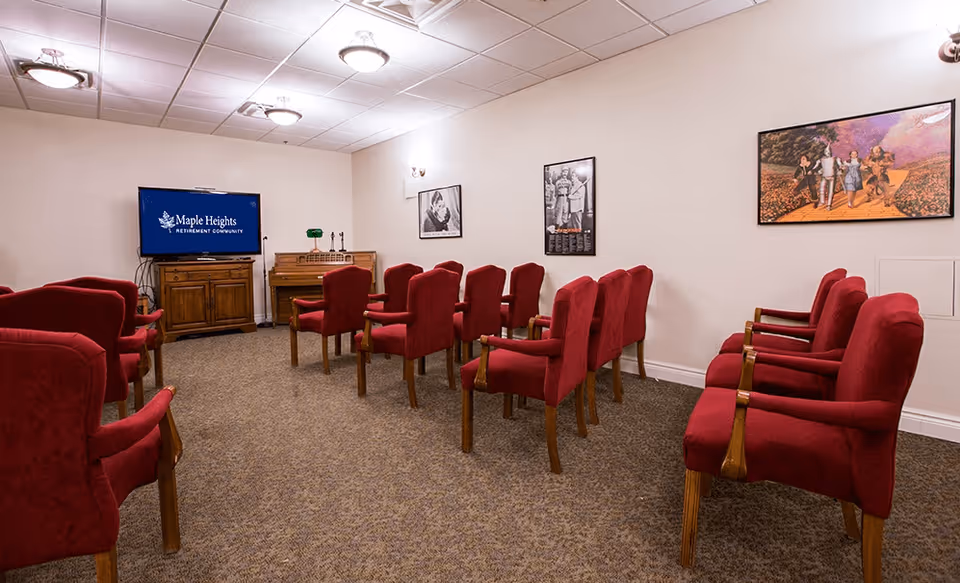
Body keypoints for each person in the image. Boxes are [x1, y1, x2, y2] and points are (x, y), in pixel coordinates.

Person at [817, 144, 841, 210]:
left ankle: (829, 205)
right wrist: (819, 170)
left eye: (828, 151)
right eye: (826, 151)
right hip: (824, 176)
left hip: (832, 176)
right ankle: (822, 201)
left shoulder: (835, 158)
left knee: (830, 191)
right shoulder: (822, 159)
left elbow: (840, 165)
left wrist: (840, 169)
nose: (827, 153)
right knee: (822, 189)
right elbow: (818, 166)